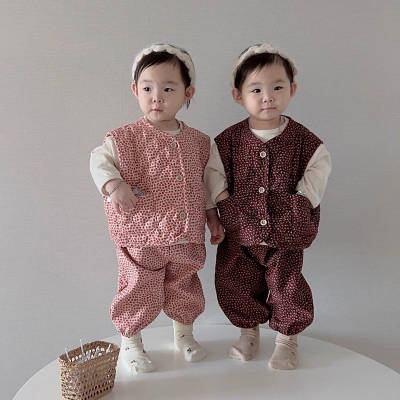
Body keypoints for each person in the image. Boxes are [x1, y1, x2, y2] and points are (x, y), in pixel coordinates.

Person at [204, 43, 331, 370]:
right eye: (256, 89)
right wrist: (223, 201)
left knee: (287, 285)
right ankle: (248, 332)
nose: (267, 97)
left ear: (292, 89)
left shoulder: (304, 140)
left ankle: (287, 340)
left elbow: (319, 167)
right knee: (236, 282)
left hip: (285, 232)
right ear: (238, 95)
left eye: (277, 88)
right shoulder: (227, 140)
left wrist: (302, 200)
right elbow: (212, 173)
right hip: (240, 231)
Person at [90, 44, 210, 374]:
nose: (157, 97)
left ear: (187, 93)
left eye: (168, 89)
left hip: (185, 234)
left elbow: (209, 184)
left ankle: (184, 336)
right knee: (137, 288)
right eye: (147, 89)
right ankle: (131, 343)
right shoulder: (123, 138)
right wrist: (114, 184)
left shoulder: (200, 142)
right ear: (135, 90)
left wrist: (213, 216)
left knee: (185, 285)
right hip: (140, 235)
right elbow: (98, 160)